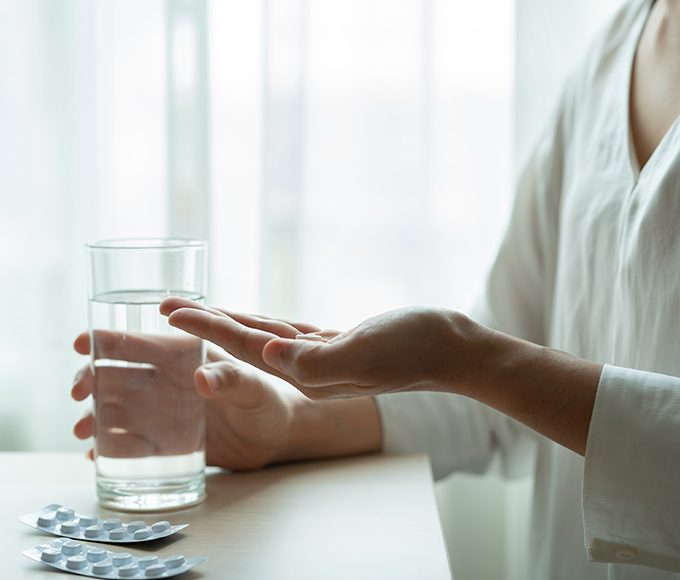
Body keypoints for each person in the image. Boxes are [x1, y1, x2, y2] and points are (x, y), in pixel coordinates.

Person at [72, 0, 680, 577]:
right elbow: (503, 392)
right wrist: (286, 423)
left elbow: (496, 367)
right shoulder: (612, 50)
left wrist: (464, 356)